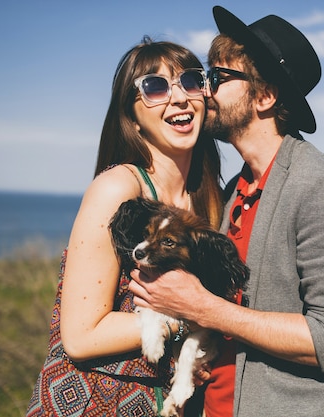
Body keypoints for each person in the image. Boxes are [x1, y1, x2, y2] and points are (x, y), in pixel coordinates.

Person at [129, 6, 324, 417]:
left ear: (264, 96)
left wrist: (205, 308)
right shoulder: (233, 192)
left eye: (218, 78)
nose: (202, 91)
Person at [26, 36, 223, 416]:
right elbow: (81, 336)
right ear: (131, 115)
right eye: (155, 87)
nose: (179, 97)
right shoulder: (118, 188)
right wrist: (189, 319)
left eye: (191, 81)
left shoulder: (208, 199)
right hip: (91, 402)